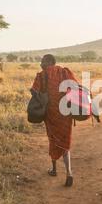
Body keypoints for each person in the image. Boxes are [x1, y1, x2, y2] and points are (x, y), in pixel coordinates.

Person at [31, 54, 77, 187]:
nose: (41, 63)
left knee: (53, 139)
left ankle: (54, 169)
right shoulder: (64, 72)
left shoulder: (41, 75)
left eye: (43, 61)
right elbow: (74, 87)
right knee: (65, 141)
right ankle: (69, 173)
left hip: (50, 114)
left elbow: (34, 90)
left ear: (49, 61)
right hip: (65, 113)